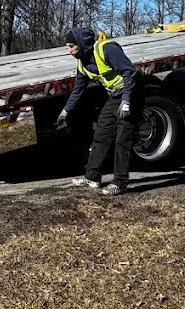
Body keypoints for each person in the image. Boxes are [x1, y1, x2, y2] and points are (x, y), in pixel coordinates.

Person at [55, 27, 142, 195]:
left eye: (72, 46)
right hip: (115, 95)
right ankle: (92, 176)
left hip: (131, 93)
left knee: (122, 139)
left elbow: (129, 72)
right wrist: (65, 111)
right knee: (102, 133)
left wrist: (126, 101)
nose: (70, 51)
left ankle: (120, 182)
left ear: (82, 44)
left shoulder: (106, 49)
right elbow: (78, 89)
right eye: (68, 47)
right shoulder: (83, 62)